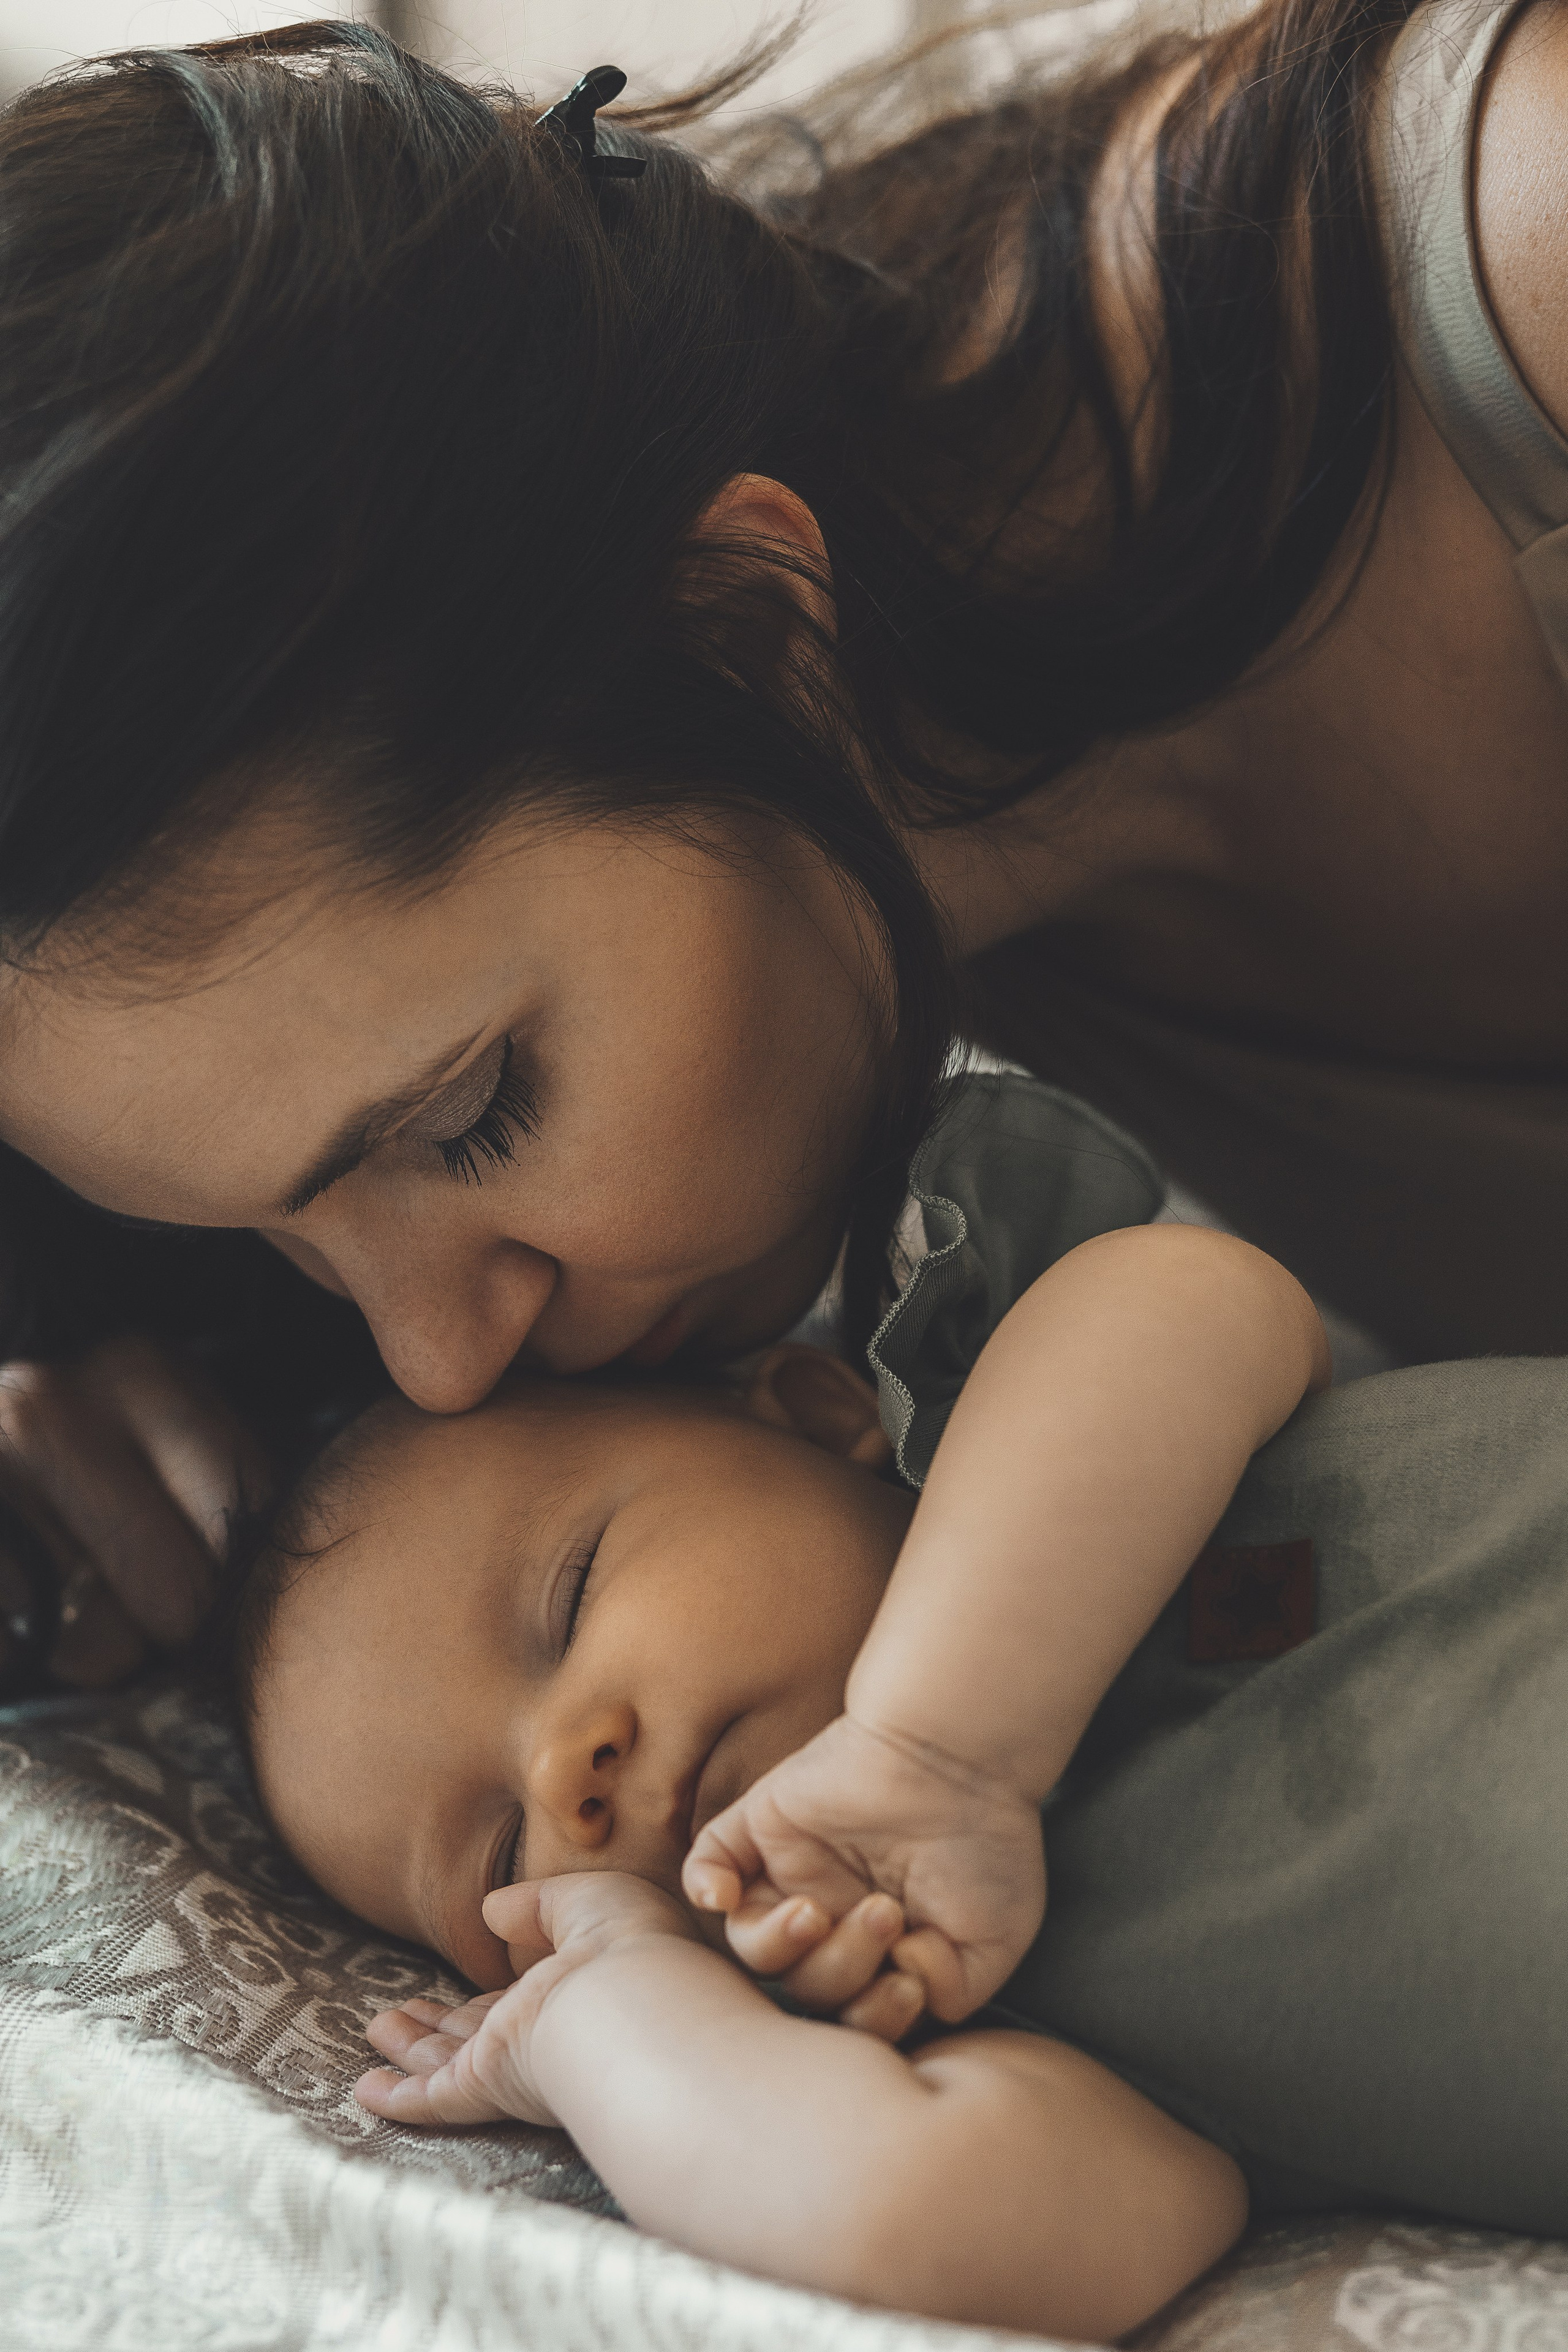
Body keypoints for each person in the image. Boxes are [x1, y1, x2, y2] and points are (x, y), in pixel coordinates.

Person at [2, 0, 1567, 1687]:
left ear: (747, 634)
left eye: (473, 1117)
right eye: (256, 1231)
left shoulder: (1527, 291)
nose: (442, 1364)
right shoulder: (859, 886)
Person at [227, 1084, 1568, 2332]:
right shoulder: (969, 2021)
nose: (563, 1771)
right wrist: (602, 2016)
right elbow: (914, 2220)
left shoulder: (1037, 1420)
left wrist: (939, 1746)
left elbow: (1195, 1300)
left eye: (573, 1598)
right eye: (500, 1859)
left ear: (821, 1417)